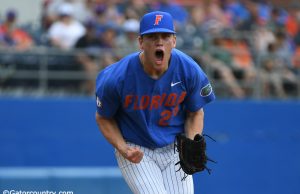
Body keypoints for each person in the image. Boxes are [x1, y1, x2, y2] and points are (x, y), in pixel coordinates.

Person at [95, 11, 216, 194]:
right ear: (141, 42)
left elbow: (195, 112)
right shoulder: (118, 77)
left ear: (174, 41)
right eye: (152, 36)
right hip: (136, 149)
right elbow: (103, 117)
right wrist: (122, 148)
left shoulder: (188, 70)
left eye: (165, 36)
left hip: (175, 146)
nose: (159, 42)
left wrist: (191, 142)